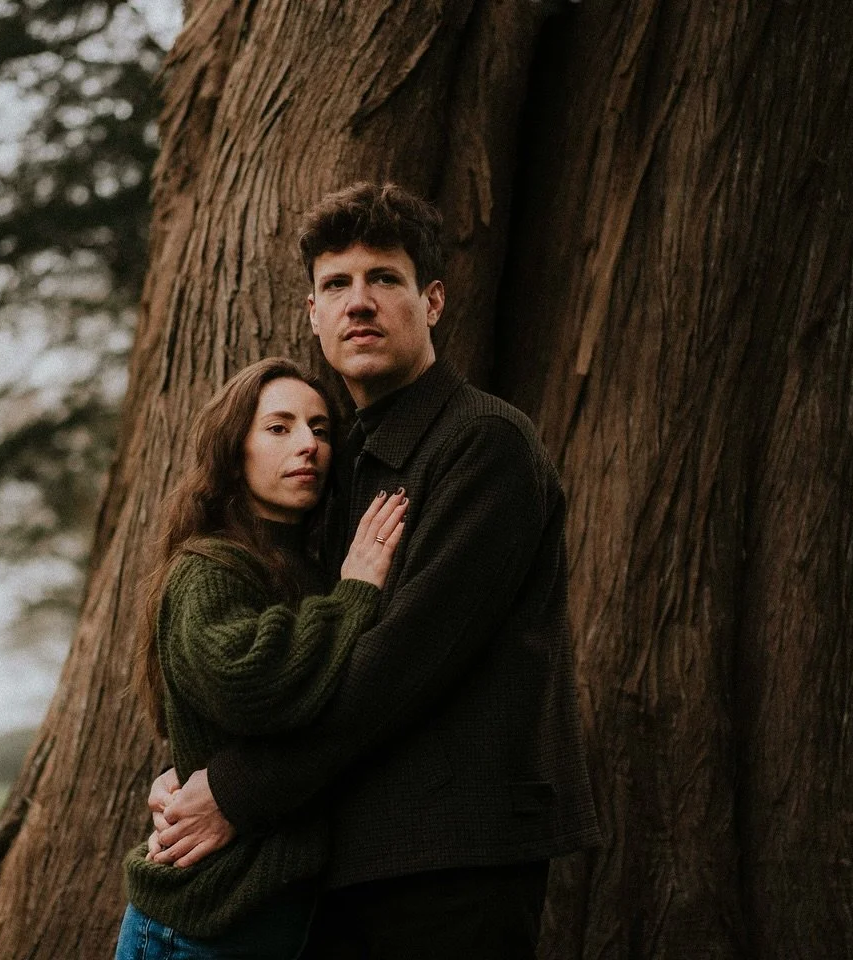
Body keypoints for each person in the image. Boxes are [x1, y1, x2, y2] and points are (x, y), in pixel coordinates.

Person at [147, 183, 602, 959]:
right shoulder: (335, 462)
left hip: (452, 861)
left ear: (432, 301)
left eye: (383, 279)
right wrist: (191, 770)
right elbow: (293, 652)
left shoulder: (483, 446)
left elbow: (397, 665)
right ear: (314, 313)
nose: (359, 302)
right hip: (344, 862)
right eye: (337, 285)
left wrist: (235, 791)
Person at [116, 357, 409, 960]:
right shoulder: (210, 567)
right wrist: (354, 593)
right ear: (234, 450)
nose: (308, 445)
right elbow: (251, 682)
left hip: (277, 921)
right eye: (279, 428)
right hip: (200, 925)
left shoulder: (303, 567)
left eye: (321, 429)